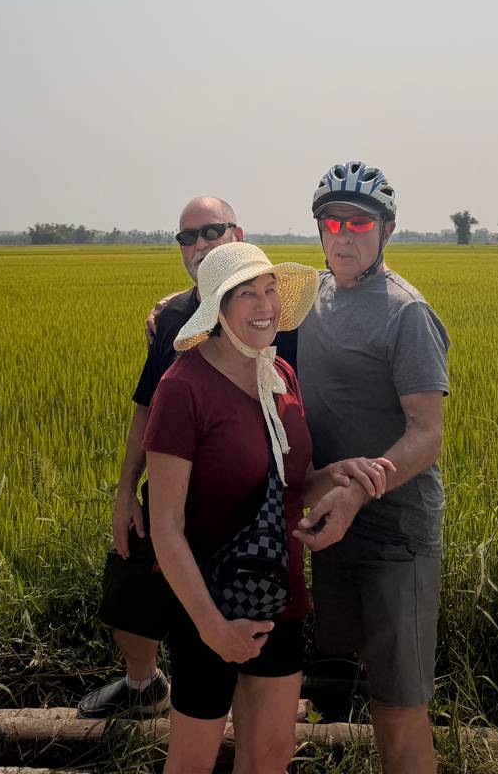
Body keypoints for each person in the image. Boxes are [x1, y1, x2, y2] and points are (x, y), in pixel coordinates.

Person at [143, 242, 390, 774]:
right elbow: (165, 526)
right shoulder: (182, 388)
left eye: (271, 290)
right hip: (206, 600)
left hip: (278, 593)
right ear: (219, 309)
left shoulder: (278, 374)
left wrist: (336, 474)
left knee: (272, 753)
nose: (266, 304)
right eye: (247, 294)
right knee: (193, 759)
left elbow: (289, 484)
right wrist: (212, 626)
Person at [293, 161, 449, 774]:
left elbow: (425, 435)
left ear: (387, 230)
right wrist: (173, 306)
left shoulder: (405, 312)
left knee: (397, 702)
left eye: (360, 221)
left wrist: (362, 488)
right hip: (333, 522)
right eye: (332, 220)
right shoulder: (311, 296)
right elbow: (232, 300)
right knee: (339, 679)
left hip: (394, 533)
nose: (343, 233)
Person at [78, 196, 247, 719]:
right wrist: (126, 490)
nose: (199, 245)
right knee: (126, 585)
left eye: (211, 231)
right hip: (170, 487)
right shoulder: (173, 315)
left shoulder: (270, 309)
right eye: (187, 237)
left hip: (244, 496)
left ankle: (252, 701)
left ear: (236, 235)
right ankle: (143, 684)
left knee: (241, 602)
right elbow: (145, 407)